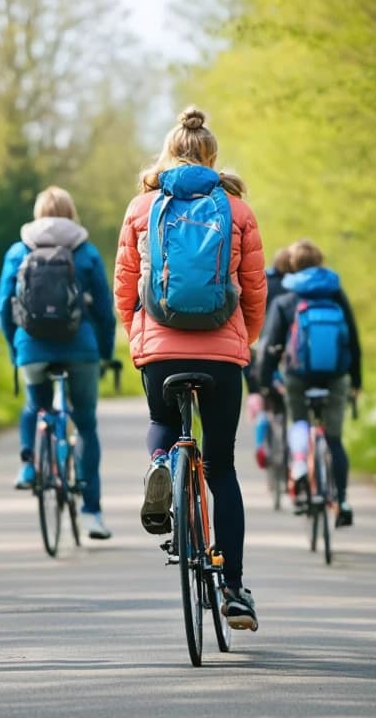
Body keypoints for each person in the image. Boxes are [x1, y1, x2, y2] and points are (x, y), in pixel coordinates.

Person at [113, 106, 266, 630]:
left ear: (168, 151)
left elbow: (125, 286)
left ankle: (161, 462)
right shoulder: (237, 210)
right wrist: (245, 340)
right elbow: (254, 289)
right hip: (222, 353)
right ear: (211, 155)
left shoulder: (142, 206)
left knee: (163, 419)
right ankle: (233, 589)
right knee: (221, 467)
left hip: (162, 350)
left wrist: (139, 337)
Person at [0, 186, 117, 539]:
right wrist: (105, 353)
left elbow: (5, 306)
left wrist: (14, 347)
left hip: (31, 347)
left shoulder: (19, 250)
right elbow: (104, 312)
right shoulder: (86, 251)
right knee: (86, 425)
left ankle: (29, 468)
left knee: (35, 404)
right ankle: (92, 513)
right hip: (81, 349)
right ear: (71, 212)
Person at [256, 238, 362, 527]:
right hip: (335, 375)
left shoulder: (287, 298)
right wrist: (356, 381)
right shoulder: (335, 293)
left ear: (292, 266)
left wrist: (264, 382)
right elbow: (351, 339)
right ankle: (341, 500)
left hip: (298, 376)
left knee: (299, 422)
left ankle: (300, 465)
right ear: (321, 262)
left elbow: (270, 345)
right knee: (334, 439)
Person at [245, 245, 294, 470]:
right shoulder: (298, 290)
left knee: (264, 402)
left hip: (262, 348)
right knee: (290, 406)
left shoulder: (265, 283)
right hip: (291, 353)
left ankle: (261, 445)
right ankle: (294, 454)